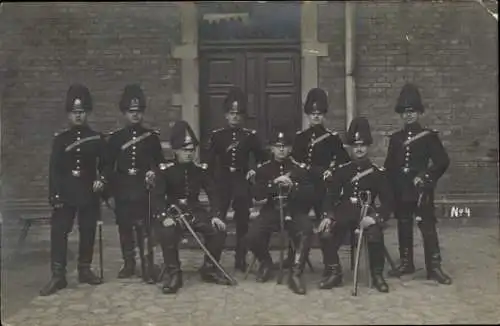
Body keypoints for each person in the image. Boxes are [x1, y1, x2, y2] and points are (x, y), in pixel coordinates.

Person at [40, 84, 107, 296]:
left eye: (82, 112)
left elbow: (105, 164)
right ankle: (58, 275)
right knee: (59, 232)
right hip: (66, 193)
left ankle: (84, 269)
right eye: (74, 112)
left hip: (88, 192)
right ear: (68, 114)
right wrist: (55, 194)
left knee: (87, 230)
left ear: (87, 113)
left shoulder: (96, 138)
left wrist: (102, 180)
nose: (78, 116)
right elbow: (54, 169)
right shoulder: (61, 140)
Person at [384, 83, 452, 285]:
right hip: (402, 189)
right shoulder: (396, 139)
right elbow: (389, 166)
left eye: (412, 111)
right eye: (405, 112)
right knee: (404, 224)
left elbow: (442, 161)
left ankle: (434, 267)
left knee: (427, 225)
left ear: (419, 112)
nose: (408, 116)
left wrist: (426, 176)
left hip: (421, 189)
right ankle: (406, 262)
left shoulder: (429, 137)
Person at [154, 120, 232, 294]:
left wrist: (215, 214)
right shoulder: (165, 170)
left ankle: (209, 268)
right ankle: (174, 273)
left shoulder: (200, 170)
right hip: (172, 212)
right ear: (175, 150)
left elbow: (213, 194)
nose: (189, 154)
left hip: (195, 212)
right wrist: (163, 216)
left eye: (191, 150)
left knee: (218, 230)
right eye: (184, 150)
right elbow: (157, 197)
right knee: (167, 232)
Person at [318, 117, 394, 293]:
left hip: (367, 213)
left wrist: (375, 218)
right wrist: (328, 215)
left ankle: (377, 275)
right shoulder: (342, 171)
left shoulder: (377, 173)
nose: (359, 149)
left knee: (375, 233)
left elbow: (388, 201)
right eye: (355, 145)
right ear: (351, 147)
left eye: (362, 145)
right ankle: (335, 272)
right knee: (326, 232)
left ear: (368, 146)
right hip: (344, 213)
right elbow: (330, 196)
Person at [105, 84, 167, 280]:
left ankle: (147, 262)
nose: (135, 115)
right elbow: (107, 167)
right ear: (124, 113)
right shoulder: (116, 139)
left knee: (145, 228)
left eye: (139, 111)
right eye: (131, 111)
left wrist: (153, 175)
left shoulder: (151, 138)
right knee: (124, 227)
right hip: (123, 188)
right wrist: (109, 194)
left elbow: (160, 165)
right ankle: (129, 263)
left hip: (143, 189)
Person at [206, 87, 268, 272]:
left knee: (242, 221)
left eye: (238, 114)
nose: (235, 117)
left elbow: (262, 159)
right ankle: (213, 258)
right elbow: (208, 163)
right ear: (226, 115)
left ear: (243, 116)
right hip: (223, 180)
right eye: (231, 113)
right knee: (218, 218)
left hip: (241, 180)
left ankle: (240, 258)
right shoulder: (217, 136)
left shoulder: (250, 136)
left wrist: (254, 171)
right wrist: (211, 183)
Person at [245, 129, 315, 295]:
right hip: (272, 210)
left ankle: (296, 273)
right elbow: (256, 193)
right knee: (252, 235)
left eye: (285, 146)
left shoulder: (299, 169)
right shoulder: (264, 169)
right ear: (272, 148)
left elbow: (310, 193)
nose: (281, 149)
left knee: (306, 229)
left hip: (294, 210)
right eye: (277, 146)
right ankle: (266, 262)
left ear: (290, 149)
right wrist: (273, 184)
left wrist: (293, 186)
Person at [289, 87, 350, 268]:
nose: (316, 117)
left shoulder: (332, 138)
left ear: (324, 115)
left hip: (323, 189)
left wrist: (331, 171)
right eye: (312, 113)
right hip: (304, 188)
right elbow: (294, 162)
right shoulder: (301, 138)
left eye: (319, 113)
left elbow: (343, 162)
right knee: (296, 220)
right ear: (307, 115)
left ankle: (329, 264)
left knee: (325, 225)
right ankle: (294, 257)